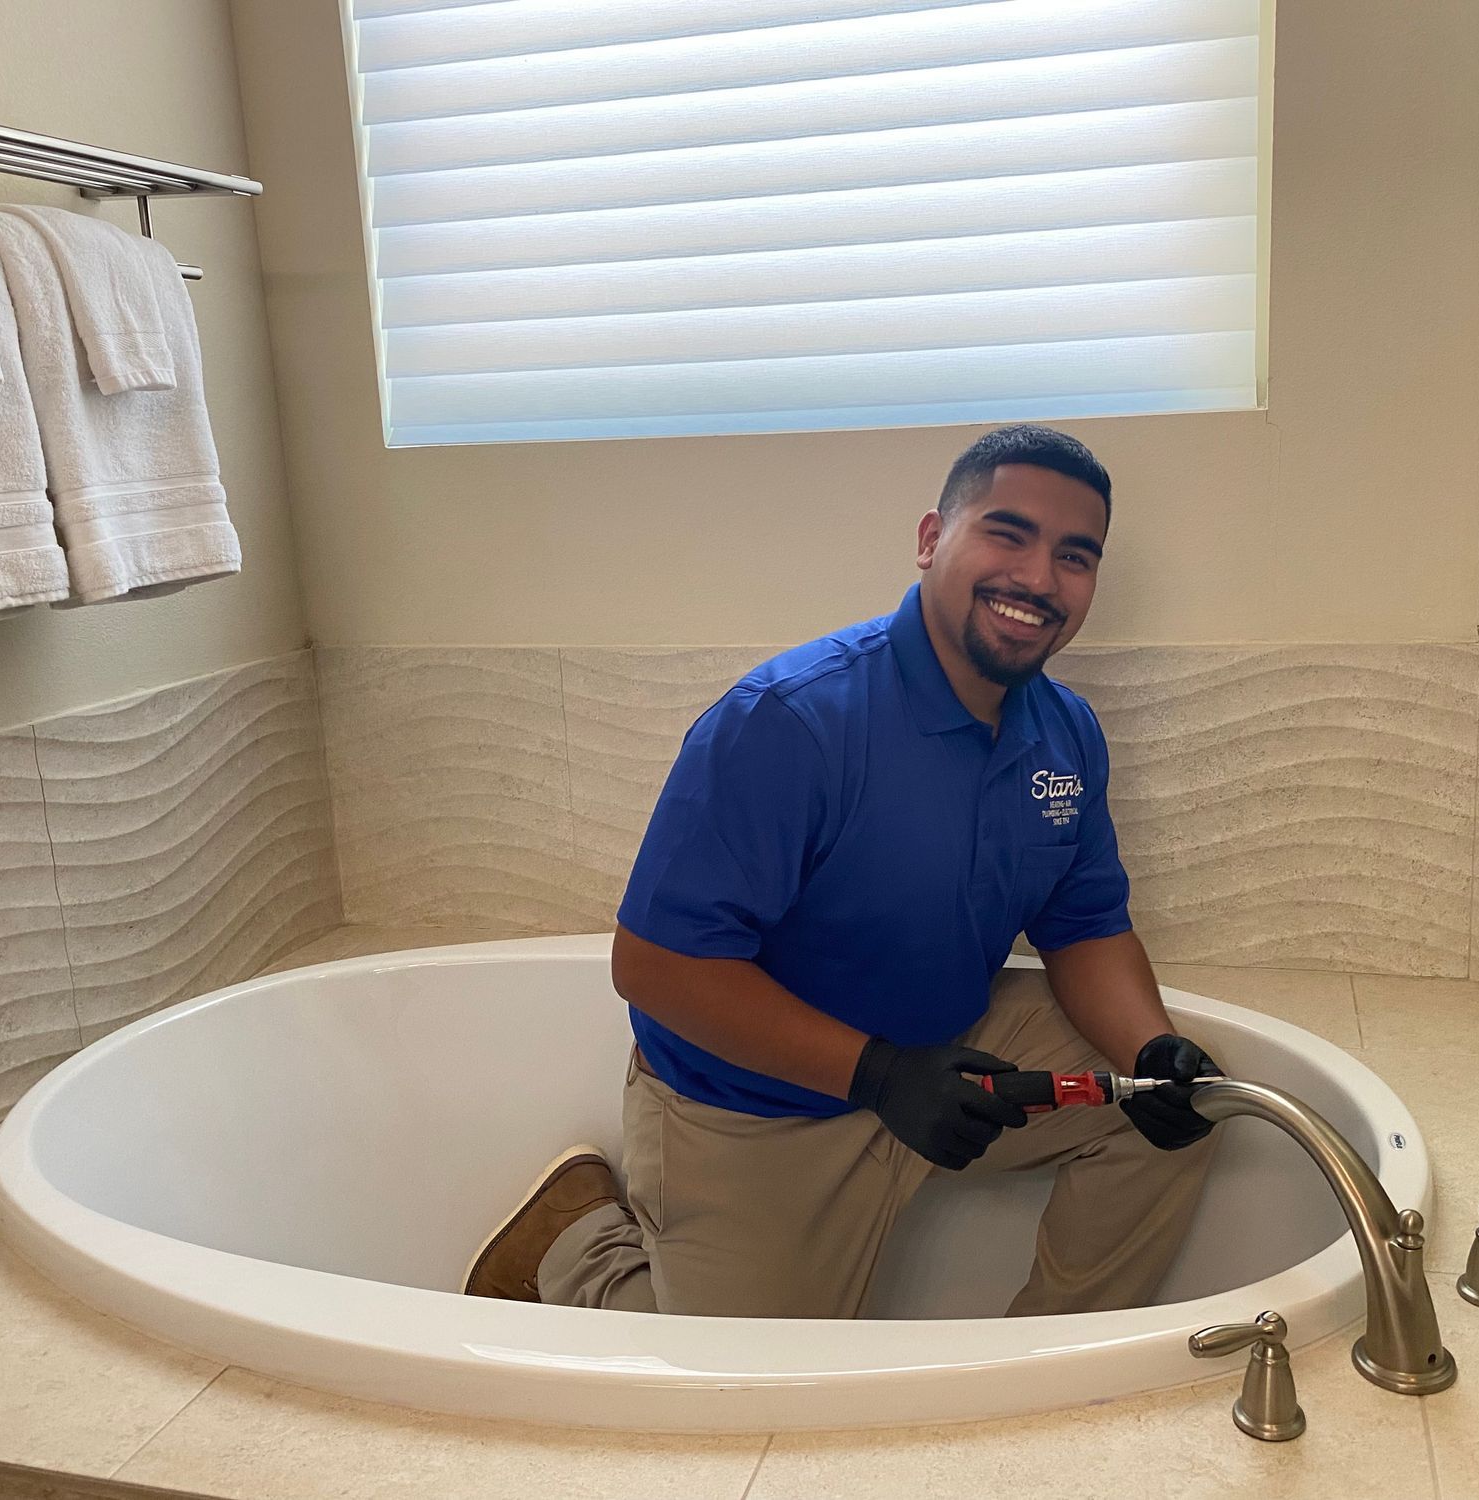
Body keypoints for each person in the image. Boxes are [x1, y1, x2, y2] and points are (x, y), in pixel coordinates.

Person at [464, 423, 1221, 1319]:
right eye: (1006, 533)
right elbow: (654, 966)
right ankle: (576, 1246)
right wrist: (880, 1078)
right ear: (932, 538)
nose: (1037, 577)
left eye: (1075, 555)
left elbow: (1085, 926)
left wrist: (1147, 1051)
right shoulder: (790, 721)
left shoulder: (1067, 734)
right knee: (739, 1398)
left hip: (949, 1054)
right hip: (757, 1108)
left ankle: (1038, 1366)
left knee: (1187, 1106)